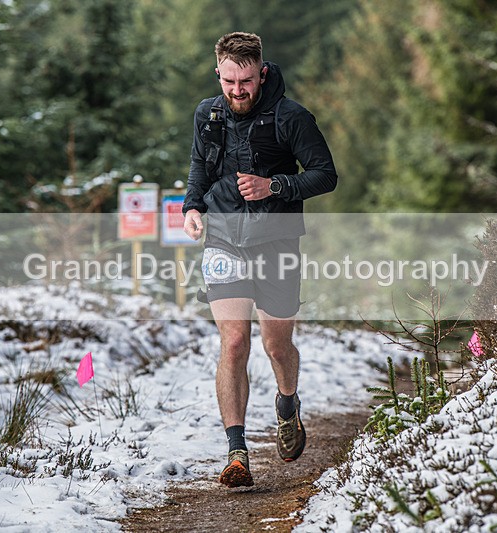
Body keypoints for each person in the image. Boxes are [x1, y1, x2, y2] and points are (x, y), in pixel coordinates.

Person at [182, 32, 337, 488]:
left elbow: (325, 175)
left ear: (262, 73)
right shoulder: (207, 114)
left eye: (246, 81)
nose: (238, 90)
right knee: (233, 342)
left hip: (277, 242)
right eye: (229, 81)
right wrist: (192, 207)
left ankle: (287, 404)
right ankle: (236, 452)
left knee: (276, 345)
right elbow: (199, 167)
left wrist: (276, 186)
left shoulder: (292, 117)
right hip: (223, 239)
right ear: (218, 73)